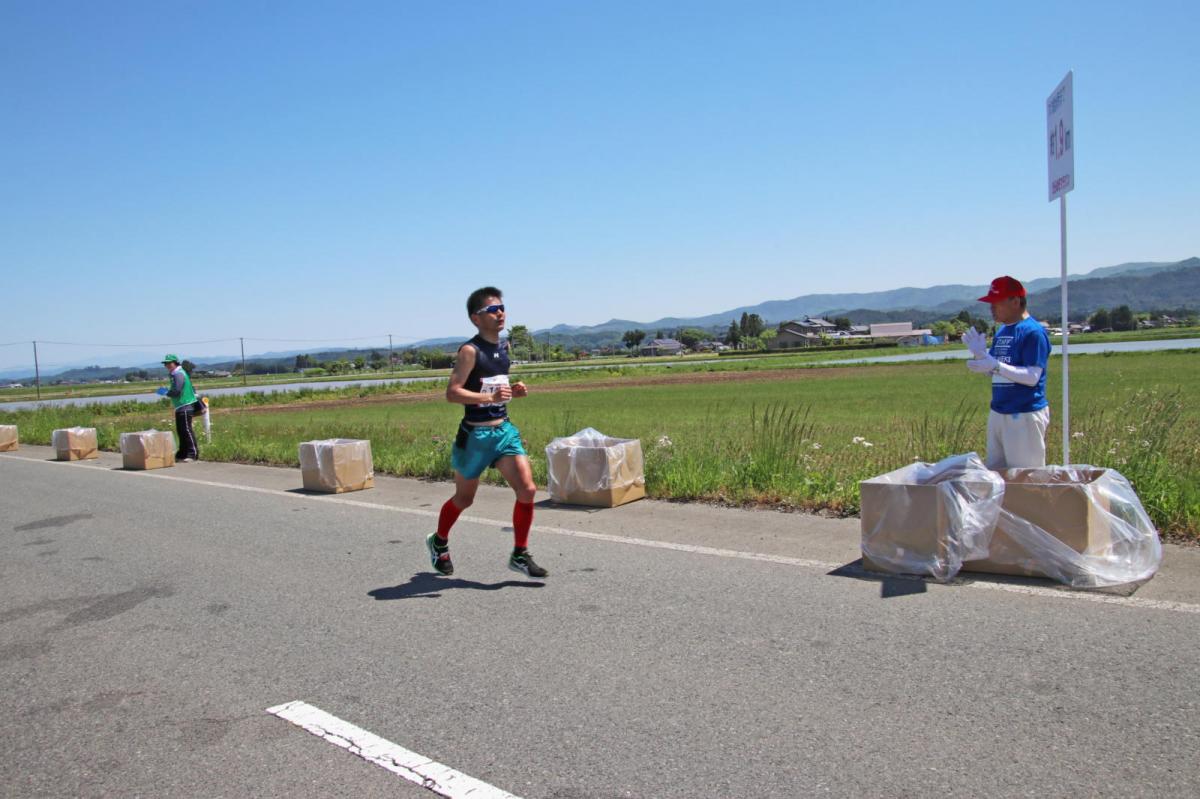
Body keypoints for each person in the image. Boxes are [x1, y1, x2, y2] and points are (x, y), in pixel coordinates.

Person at [426, 287, 547, 578]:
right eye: (493, 310)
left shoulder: (503, 349)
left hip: (503, 431)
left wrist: (512, 392)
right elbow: (453, 393)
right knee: (464, 499)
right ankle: (439, 541)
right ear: (475, 318)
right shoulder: (470, 351)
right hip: (476, 436)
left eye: (502, 308)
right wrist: (489, 399)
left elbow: (495, 389)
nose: (500, 313)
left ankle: (519, 553)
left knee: (528, 490)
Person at [963, 276, 1051, 470]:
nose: (992, 308)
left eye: (997, 303)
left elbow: (1032, 377)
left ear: (1015, 301)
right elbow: (993, 370)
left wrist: (995, 366)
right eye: (991, 304)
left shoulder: (1032, 332)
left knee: (1026, 477)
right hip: (999, 412)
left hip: (1024, 413)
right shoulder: (1003, 331)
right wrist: (981, 356)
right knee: (996, 474)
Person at [158, 354, 200, 462]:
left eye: (169, 363)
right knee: (181, 431)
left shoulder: (178, 374)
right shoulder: (175, 374)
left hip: (185, 405)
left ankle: (192, 453)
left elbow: (177, 392)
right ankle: (182, 454)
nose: (167, 365)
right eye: (165, 363)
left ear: (175, 363)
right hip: (180, 406)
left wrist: (166, 392)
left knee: (186, 430)